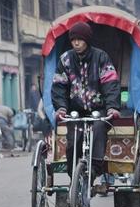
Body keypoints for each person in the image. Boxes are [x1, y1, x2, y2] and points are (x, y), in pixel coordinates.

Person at [51, 21, 121, 193]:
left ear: (87, 40)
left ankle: (95, 168)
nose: (76, 43)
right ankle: (74, 175)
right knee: (73, 140)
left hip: (98, 109)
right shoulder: (66, 59)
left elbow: (111, 83)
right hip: (75, 110)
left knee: (98, 129)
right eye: (73, 39)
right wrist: (61, 108)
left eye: (80, 40)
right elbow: (59, 86)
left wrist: (112, 107)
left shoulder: (101, 57)